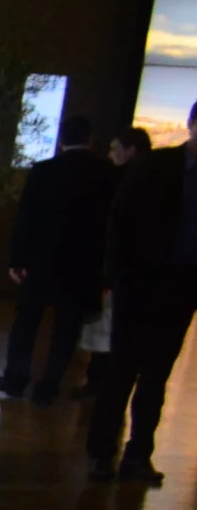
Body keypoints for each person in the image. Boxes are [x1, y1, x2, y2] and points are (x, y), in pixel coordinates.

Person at [87, 104, 197, 485]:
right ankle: (102, 453)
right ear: (192, 126)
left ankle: (136, 455)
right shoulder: (156, 166)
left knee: (155, 375)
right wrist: (115, 274)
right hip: (140, 284)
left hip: (183, 289)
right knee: (123, 370)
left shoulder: (157, 166)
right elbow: (121, 218)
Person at [0, 113, 119, 404]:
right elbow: (110, 226)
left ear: (61, 140)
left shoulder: (43, 171)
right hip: (83, 266)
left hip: (42, 261)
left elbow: (25, 219)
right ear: (90, 140)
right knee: (67, 329)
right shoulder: (106, 175)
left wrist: (17, 259)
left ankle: (15, 379)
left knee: (26, 322)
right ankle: (49, 386)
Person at [71, 126, 150, 400]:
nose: (110, 154)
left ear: (131, 151)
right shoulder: (138, 181)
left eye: (115, 148)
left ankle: (98, 383)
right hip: (126, 270)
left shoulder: (119, 182)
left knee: (106, 329)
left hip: (119, 270)